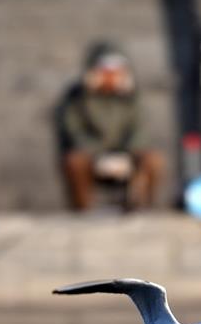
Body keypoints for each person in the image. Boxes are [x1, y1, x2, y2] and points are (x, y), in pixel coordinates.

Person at [55, 41, 164, 212]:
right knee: (74, 161)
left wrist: (124, 156)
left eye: (116, 71)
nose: (111, 76)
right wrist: (100, 157)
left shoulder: (132, 99)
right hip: (91, 158)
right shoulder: (76, 99)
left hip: (125, 158)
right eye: (106, 71)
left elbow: (140, 132)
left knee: (153, 160)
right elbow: (74, 132)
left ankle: (141, 209)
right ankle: (82, 211)